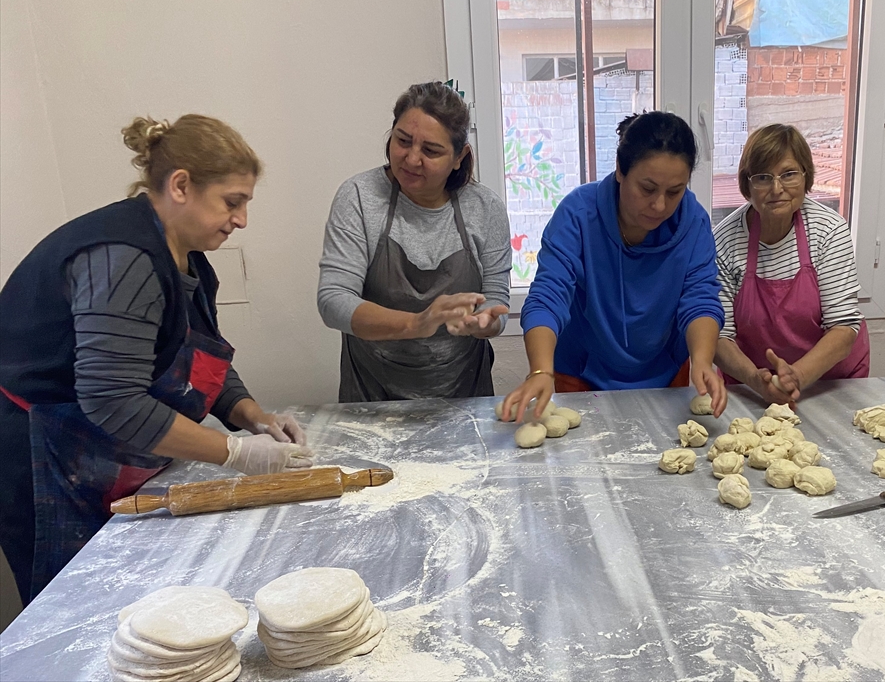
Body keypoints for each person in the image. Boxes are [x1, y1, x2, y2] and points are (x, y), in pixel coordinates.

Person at [0, 115, 313, 605]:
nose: (242, 220)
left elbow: (196, 357)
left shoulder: (185, 254)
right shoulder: (123, 258)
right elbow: (112, 400)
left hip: (93, 444)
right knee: (75, 606)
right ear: (181, 185)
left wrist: (252, 416)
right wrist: (234, 453)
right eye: (232, 202)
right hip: (41, 451)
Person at [501, 111, 727, 421]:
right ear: (620, 169)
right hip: (580, 371)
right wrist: (540, 370)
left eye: (675, 191)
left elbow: (700, 299)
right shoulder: (579, 215)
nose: (660, 205)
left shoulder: (694, 222)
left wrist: (702, 360)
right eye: (647, 189)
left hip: (665, 372)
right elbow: (547, 296)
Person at [318, 82, 511, 401]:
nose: (411, 159)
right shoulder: (359, 197)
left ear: (459, 156)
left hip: (463, 394)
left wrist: (485, 322)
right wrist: (416, 323)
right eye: (403, 141)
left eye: (431, 151)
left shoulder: (485, 208)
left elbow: (495, 300)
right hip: (371, 395)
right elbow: (333, 300)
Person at [713, 124, 870, 404]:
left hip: (829, 382)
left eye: (789, 174)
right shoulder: (725, 240)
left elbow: (843, 327)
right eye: (763, 177)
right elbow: (719, 336)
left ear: (806, 175)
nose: (777, 189)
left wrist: (796, 376)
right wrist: (757, 380)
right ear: (747, 183)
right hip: (753, 384)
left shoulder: (828, 231)